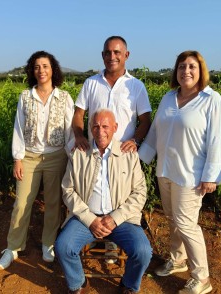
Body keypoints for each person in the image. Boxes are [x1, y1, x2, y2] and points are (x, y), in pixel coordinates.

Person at [138, 50, 221, 294]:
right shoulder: (169, 98)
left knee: (187, 224)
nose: (186, 71)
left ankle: (202, 278)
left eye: (191, 67)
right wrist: (139, 159)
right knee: (172, 219)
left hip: (191, 176)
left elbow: (218, 141)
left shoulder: (212, 101)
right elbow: (156, 132)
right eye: (181, 67)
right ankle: (177, 260)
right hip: (165, 171)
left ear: (201, 71)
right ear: (175, 72)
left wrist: (211, 175)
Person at [72, 35, 152, 263]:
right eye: (108, 52)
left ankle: (112, 244)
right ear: (102, 56)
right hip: (94, 153)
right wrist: (79, 136)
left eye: (117, 52)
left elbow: (145, 120)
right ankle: (90, 236)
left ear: (126, 55)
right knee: (94, 194)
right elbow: (79, 114)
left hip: (122, 157)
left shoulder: (135, 86)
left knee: (117, 200)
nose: (112, 56)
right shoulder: (91, 83)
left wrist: (135, 140)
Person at [55, 109, 152, 294]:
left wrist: (115, 217)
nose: (100, 131)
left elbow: (140, 192)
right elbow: (67, 191)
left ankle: (129, 285)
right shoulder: (79, 154)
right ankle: (78, 284)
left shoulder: (128, 154)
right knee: (63, 247)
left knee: (143, 251)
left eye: (105, 126)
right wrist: (90, 219)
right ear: (90, 129)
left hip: (121, 220)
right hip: (86, 219)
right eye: (96, 126)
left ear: (115, 128)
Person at [0, 51, 74, 270]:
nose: (41, 71)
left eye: (45, 66)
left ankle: (48, 244)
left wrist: (72, 159)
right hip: (29, 156)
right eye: (37, 67)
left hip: (56, 156)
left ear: (53, 70)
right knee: (21, 203)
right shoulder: (25, 97)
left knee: (53, 203)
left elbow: (70, 132)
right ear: (32, 70)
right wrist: (17, 159)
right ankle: (12, 247)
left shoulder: (65, 97)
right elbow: (18, 129)